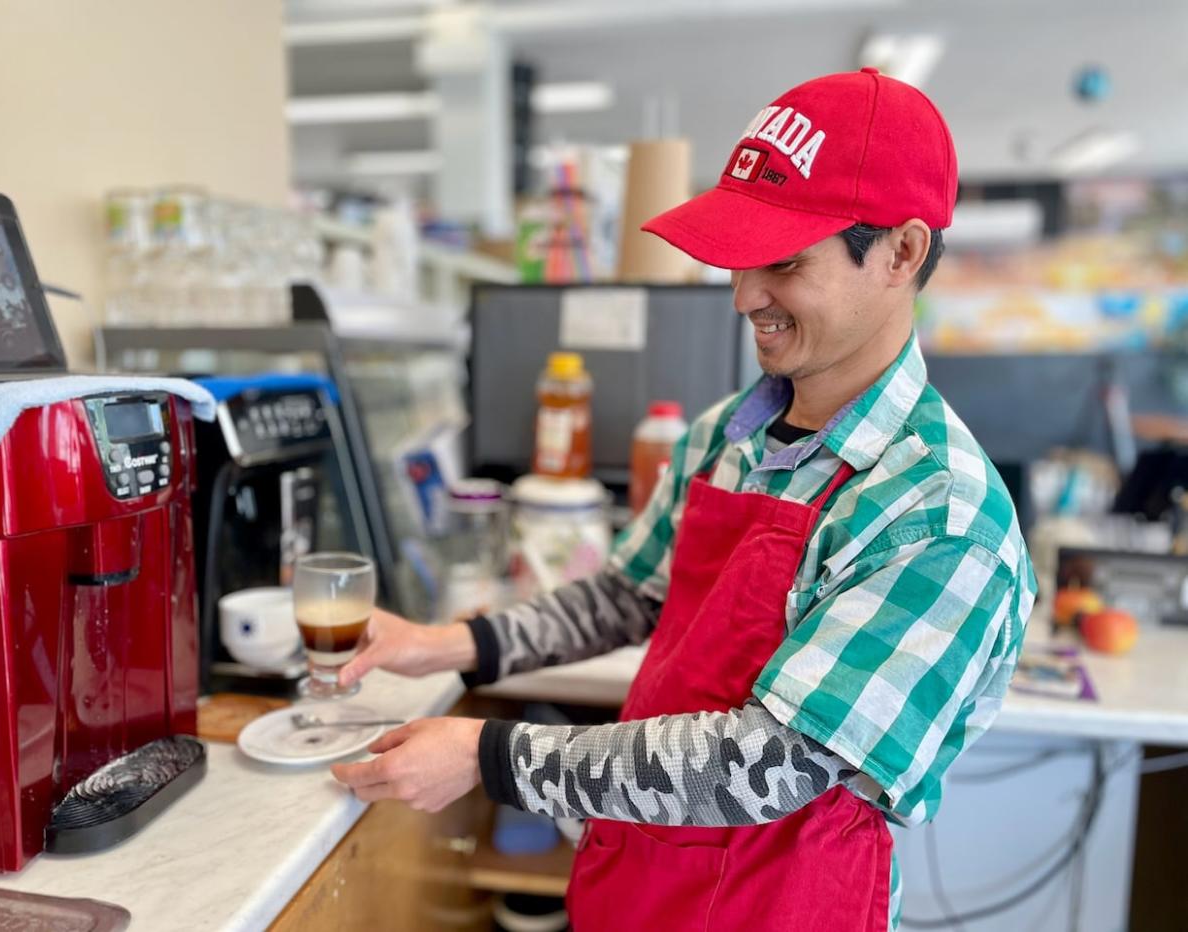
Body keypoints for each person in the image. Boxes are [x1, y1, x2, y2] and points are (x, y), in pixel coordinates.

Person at [330, 67, 1036, 931]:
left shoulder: (941, 515)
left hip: (783, 905)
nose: (744, 298)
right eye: (741, 260)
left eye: (783, 262)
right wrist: (446, 645)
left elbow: (773, 763)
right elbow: (632, 593)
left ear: (902, 252)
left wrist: (494, 755)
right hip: (641, 878)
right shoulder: (723, 437)